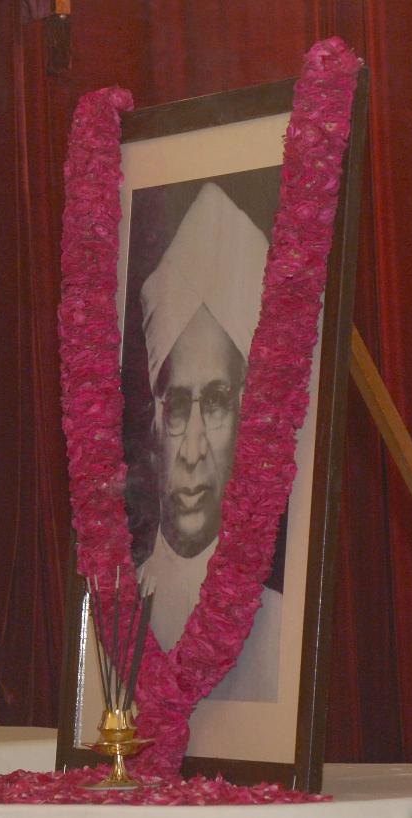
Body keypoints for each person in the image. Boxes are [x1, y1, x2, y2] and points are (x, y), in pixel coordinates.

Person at [135, 182, 281, 702]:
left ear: (246, 417)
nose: (193, 449)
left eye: (216, 402)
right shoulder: (113, 612)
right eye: (177, 405)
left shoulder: (281, 628)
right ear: (153, 425)